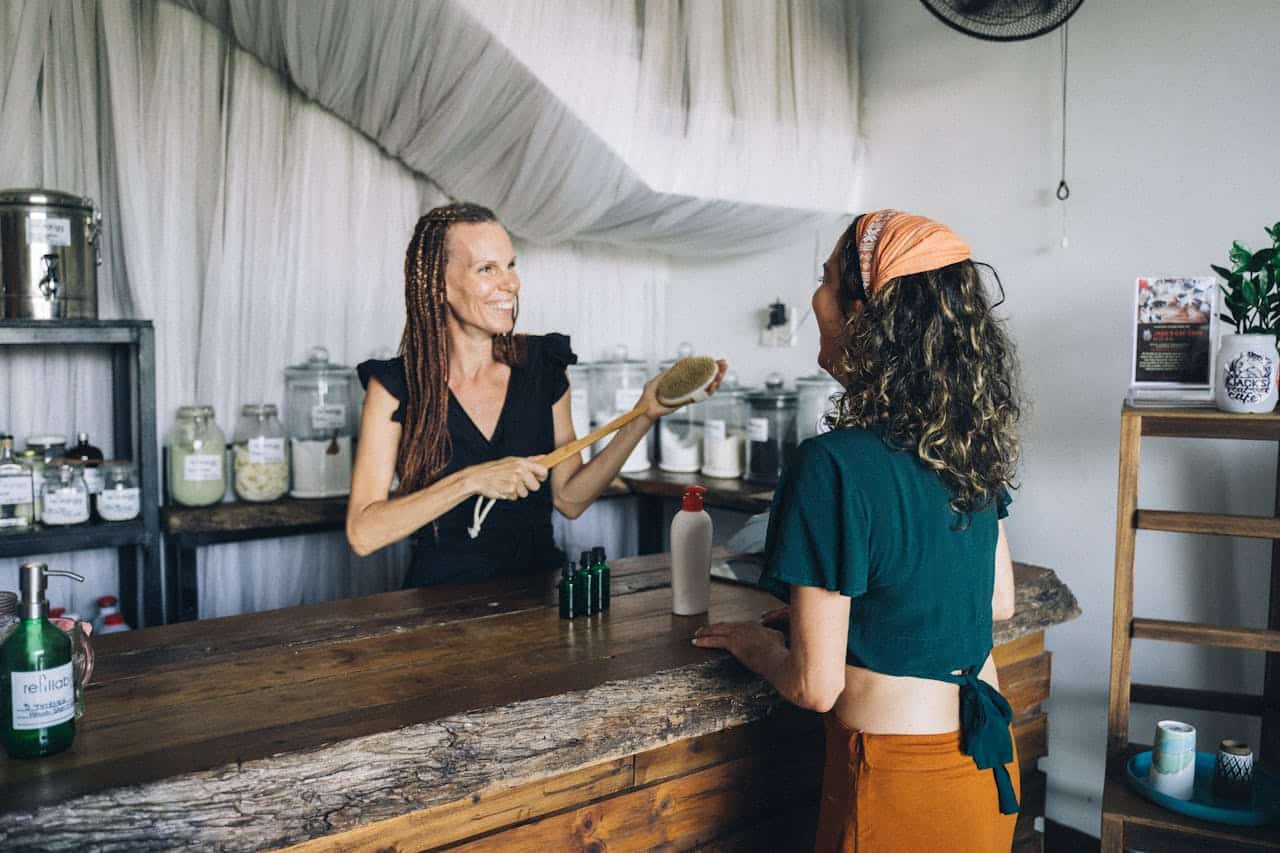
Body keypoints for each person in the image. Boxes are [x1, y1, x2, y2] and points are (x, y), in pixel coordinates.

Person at [693, 210, 1022, 852]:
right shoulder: (964, 442)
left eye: (826, 280)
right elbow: (996, 600)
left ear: (865, 317)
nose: (815, 296)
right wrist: (836, 623)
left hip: (900, 779)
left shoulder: (832, 464)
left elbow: (816, 687)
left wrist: (755, 646)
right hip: (984, 764)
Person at [348, 202, 724, 587]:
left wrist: (644, 414)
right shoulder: (394, 386)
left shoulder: (543, 367)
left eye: (510, 265)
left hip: (538, 597)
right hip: (438, 602)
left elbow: (570, 500)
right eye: (486, 269)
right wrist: (471, 481)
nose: (510, 283)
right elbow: (363, 534)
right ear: (436, 283)